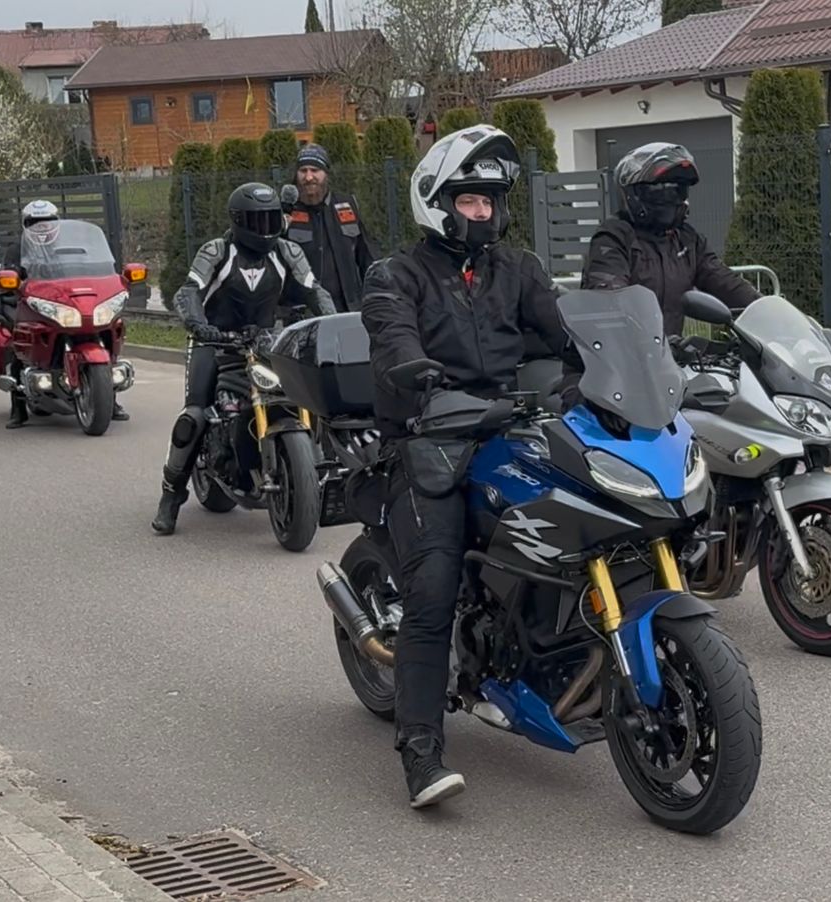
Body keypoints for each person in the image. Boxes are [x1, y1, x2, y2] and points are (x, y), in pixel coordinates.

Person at [359, 124, 576, 809]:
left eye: (490, 201)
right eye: (469, 200)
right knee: (432, 589)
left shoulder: (519, 268)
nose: (483, 212)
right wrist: (416, 374)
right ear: (437, 203)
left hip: (509, 425)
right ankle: (421, 750)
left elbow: (565, 327)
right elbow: (392, 336)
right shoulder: (395, 275)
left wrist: (601, 361)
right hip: (430, 437)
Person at [151, 182, 336, 535]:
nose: (265, 229)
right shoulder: (217, 251)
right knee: (195, 415)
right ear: (237, 221)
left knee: (311, 394)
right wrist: (199, 325)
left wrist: (331, 323)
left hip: (266, 340)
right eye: (256, 221)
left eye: (270, 220)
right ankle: (171, 495)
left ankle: (322, 472)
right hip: (216, 341)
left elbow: (315, 291)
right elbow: (188, 292)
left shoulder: (288, 251)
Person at [582, 143, 760, 335]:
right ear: (633, 194)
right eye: (660, 190)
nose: (671, 198)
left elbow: (726, 283)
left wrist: (764, 310)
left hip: (667, 352)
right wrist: (649, 338)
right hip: (618, 350)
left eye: (677, 190)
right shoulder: (613, 237)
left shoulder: (688, 241)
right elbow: (609, 297)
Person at [0, 200, 130, 427]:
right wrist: (13, 280)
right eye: (35, 222)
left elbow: (88, 267)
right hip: (33, 301)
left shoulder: (71, 246)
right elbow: (11, 275)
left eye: (47, 221)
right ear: (26, 224)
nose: (42, 227)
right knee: (17, 340)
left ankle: (110, 400)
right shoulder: (17, 249)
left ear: (56, 222)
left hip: (69, 302)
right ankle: (18, 408)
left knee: (104, 330)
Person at [283, 143, 377, 312]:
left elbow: (366, 258)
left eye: (315, 170)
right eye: (303, 171)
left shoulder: (347, 205)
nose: (309, 177)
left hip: (347, 310)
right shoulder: (286, 212)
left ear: (326, 174)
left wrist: (375, 298)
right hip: (303, 313)